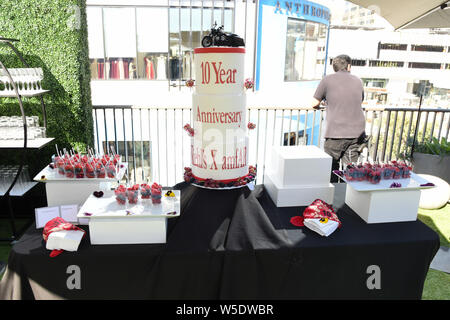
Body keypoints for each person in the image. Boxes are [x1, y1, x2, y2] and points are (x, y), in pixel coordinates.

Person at [311, 54, 368, 182]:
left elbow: (314, 103)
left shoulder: (327, 80)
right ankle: (348, 197)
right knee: (350, 169)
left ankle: (330, 198)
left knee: (330, 168)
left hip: (336, 132)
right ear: (349, 66)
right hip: (357, 133)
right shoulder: (358, 80)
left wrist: (326, 101)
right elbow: (360, 100)